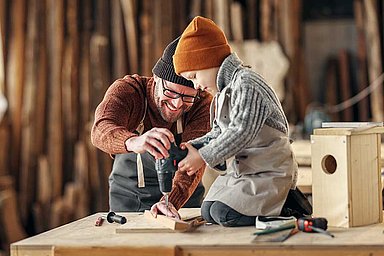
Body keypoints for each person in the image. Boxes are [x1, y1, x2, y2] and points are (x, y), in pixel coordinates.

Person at [156, 16, 311, 226]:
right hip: (245, 172)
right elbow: (219, 132)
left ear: (209, 61)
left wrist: (202, 156)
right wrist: (193, 147)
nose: (196, 86)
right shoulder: (222, 94)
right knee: (209, 210)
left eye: (194, 76)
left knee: (225, 214)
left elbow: (241, 132)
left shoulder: (247, 83)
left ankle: (287, 205)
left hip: (268, 171)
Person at [91, 36, 212, 213]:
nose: (177, 104)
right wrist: (133, 142)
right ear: (155, 78)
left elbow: (197, 155)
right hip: (129, 197)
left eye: (187, 97)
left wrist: (171, 202)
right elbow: (100, 129)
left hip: (183, 200)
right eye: (170, 92)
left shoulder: (202, 103)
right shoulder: (129, 91)